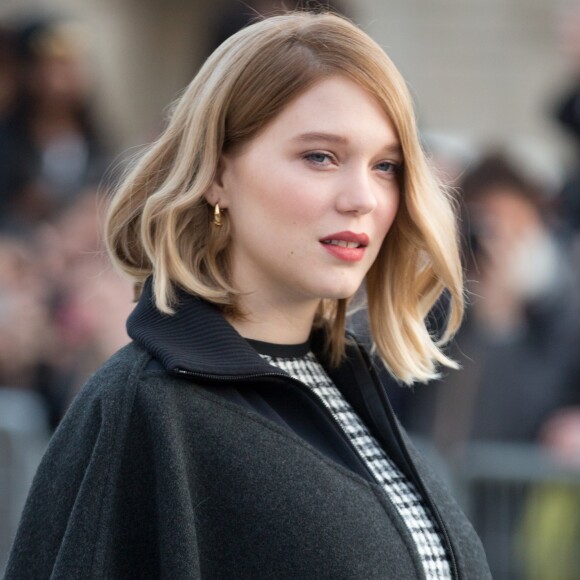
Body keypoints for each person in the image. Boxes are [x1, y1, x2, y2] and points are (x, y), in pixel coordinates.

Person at [5, 11, 490, 579]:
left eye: (386, 166)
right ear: (216, 172)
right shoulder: (148, 407)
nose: (363, 196)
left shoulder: (350, 391)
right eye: (320, 156)